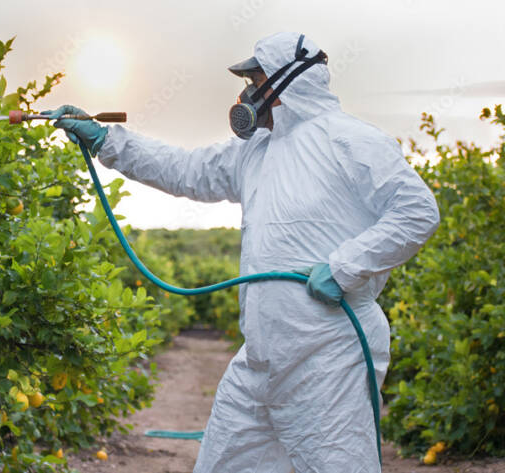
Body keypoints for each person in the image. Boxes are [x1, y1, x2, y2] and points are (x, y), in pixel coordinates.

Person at [44, 32, 440, 472]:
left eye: (254, 79)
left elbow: (417, 212)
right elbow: (186, 169)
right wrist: (106, 140)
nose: (245, 92)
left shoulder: (351, 141)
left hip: (329, 359)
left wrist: (345, 267)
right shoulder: (255, 152)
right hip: (260, 360)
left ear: (284, 84)